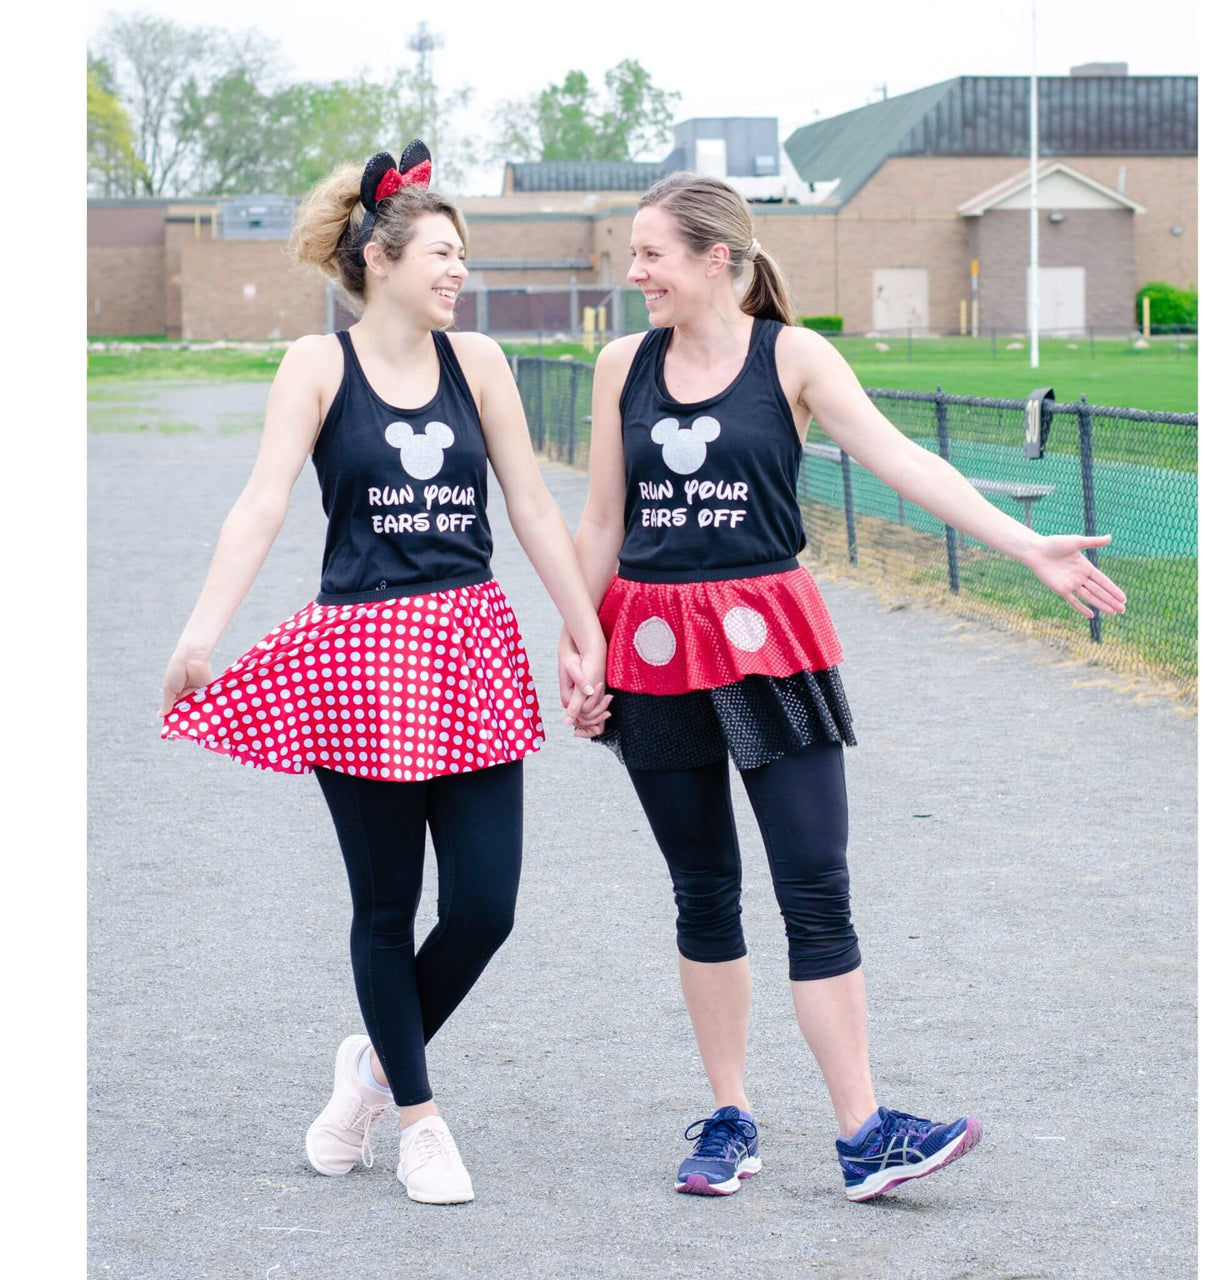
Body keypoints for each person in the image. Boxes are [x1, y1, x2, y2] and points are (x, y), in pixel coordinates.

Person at [559, 172, 1126, 1202]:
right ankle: (729, 1116)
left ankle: (864, 1134)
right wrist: (577, 643)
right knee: (702, 890)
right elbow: (602, 520)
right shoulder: (619, 366)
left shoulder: (793, 357)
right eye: (633, 253)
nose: (633, 271)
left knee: (815, 886)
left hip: (768, 640)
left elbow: (900, 460)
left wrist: (1022, 543)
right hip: (652, 645)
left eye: (651, 254)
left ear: (716, 259)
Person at [160, 142, 609, 1206]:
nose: (460, 270)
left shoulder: (480, 363)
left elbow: (531, 506)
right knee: (385, 905)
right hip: (358, 660)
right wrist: (200, 633)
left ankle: (367, 1070)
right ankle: (418, 1121)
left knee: (485, 906)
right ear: (382, 257)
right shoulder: (317, 367)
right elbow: (263, 502)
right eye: (443, 252)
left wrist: (583, 627)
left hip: (469, 649)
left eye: (462, 254)